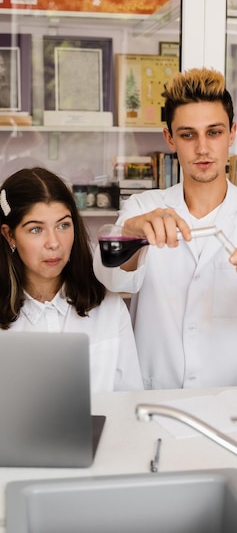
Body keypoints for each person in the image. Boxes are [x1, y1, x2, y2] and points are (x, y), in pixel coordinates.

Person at [93, 67, 237, 390]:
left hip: (234, 395)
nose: (202, 148)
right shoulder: (143, 208)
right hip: (153, 393)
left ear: (232, 133)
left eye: (214, 132)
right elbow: (110, 278)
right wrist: (135, 234)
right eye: (187, 134)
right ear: (170, 139)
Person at [0, 167, 143, 393]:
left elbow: (131, 398)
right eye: (36, 229)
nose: (54, 242)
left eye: (63, 225)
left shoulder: (108, 306)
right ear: (10, 235)